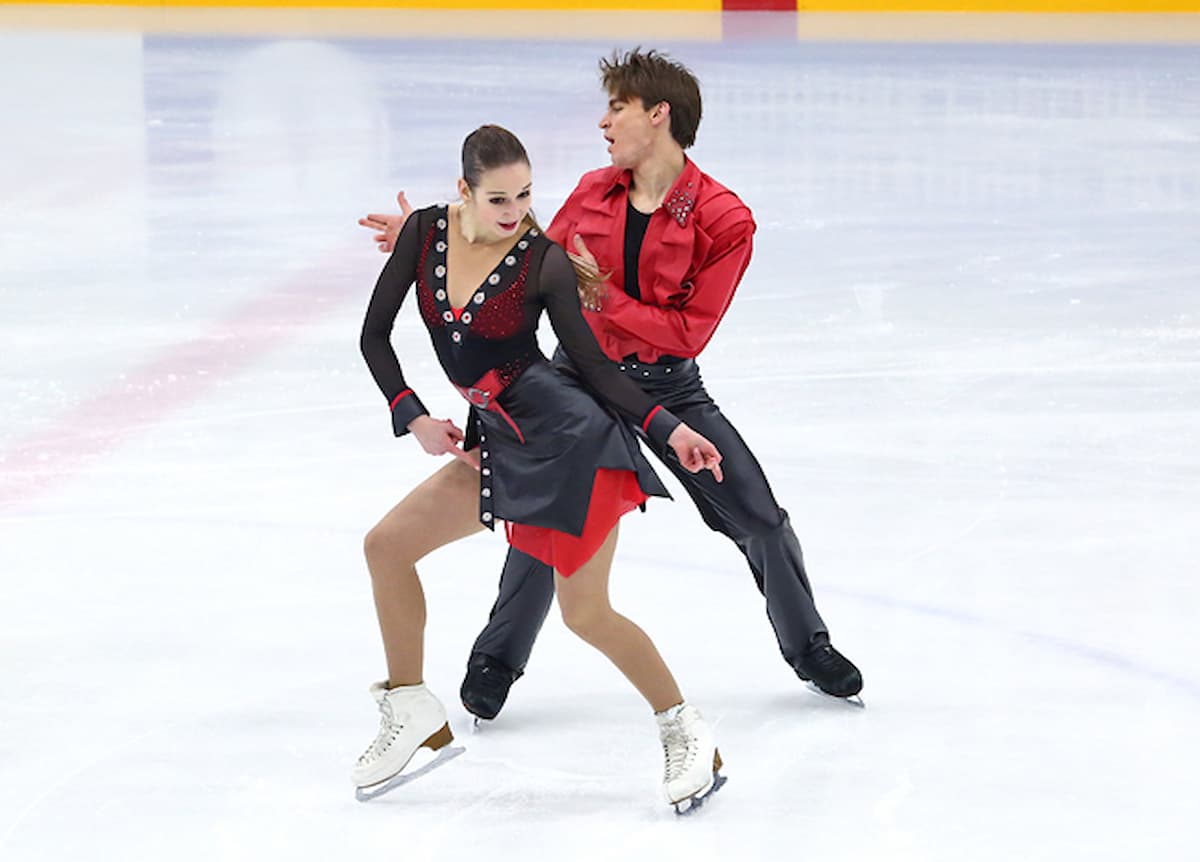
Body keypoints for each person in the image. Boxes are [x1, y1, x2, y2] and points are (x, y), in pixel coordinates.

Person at [358, 49, 863, 723]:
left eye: (617, 108)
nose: (603, 121)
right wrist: (434, 239)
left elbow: (685, 334)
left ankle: (810, 647)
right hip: (574, 383)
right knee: (544, 514)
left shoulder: (724, 219)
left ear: (658, 116)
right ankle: (496, 660)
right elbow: (524, 254)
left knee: (761, 518)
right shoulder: (594, 190)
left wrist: (597, 296)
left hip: (669, 389)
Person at [355, 124, 727, 812]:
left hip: (570, 447)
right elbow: (372, 335)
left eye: (525, 195)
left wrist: (670, 431)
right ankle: (408, 708)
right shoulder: (425, 235)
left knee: (585, 614)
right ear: (463, 191)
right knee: (387, 547)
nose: (514, 212)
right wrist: (411, 415)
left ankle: (687, 730)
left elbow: (593, 369)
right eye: (498, 198)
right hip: (495, 441)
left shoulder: (543, 262)